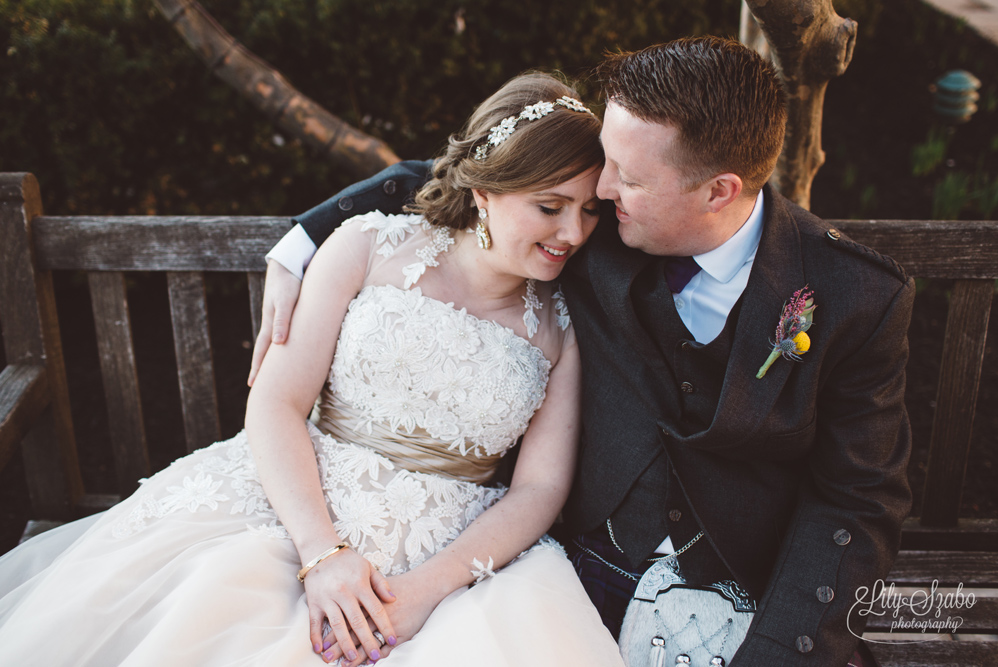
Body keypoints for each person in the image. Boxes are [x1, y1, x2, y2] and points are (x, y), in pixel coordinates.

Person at [255, 37, 914, 666]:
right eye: (605, 163)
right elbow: (498, 172)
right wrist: (301, 241)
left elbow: (858, 501)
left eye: (626, 177)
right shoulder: (588, 223)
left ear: (719, 191)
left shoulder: (854, 295)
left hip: (744, 579)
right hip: (591, 561)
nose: (599, 190)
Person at [0, 72, 628, 667]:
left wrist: (425, 590)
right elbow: (277, 402)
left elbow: (538, 489)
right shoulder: (366, 246)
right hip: (295, 508)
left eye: (589, 210)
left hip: (452, 551)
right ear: (484, 191)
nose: (573, 233)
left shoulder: (565, 325)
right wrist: (323, 555)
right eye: (550, 207)